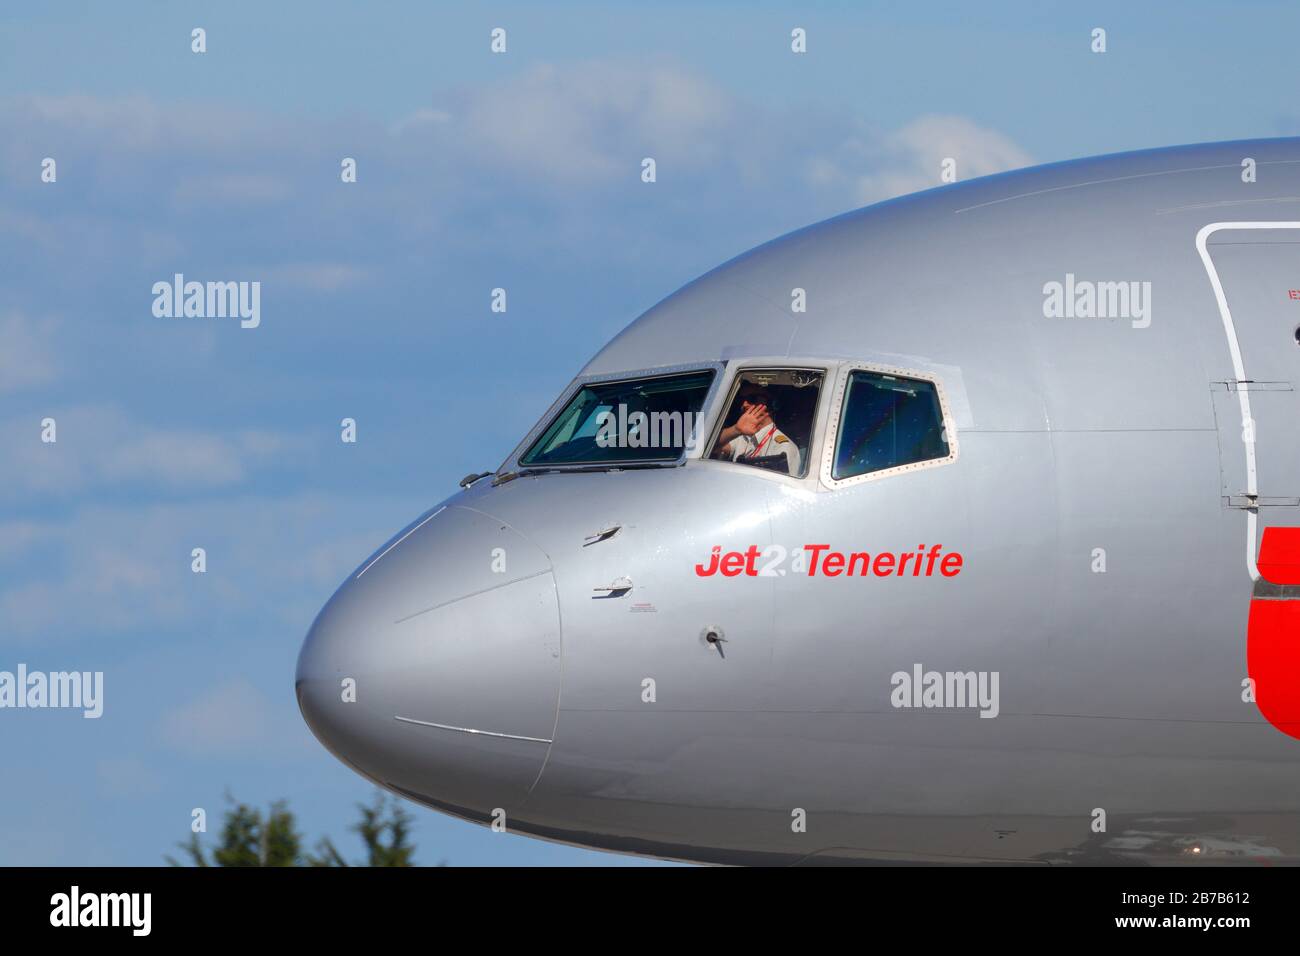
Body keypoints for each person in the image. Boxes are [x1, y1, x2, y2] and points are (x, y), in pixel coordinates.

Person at [711, 384, 802, 475]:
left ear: (771, 403)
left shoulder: (783, 447)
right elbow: (710, 447)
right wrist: (735, 430)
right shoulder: (742, 436)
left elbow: (781, 487)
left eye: (752, 399)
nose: (744, 404)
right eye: (741, 400)